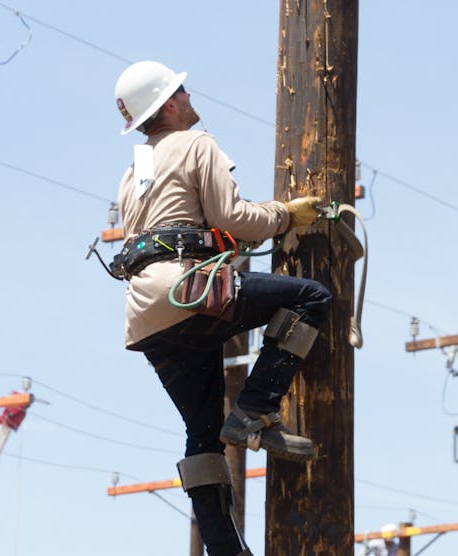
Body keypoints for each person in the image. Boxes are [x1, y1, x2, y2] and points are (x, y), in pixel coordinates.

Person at [112, 61, 332, 556]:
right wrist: (284, 215)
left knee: (201, 434)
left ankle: (224, 550)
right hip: (190, 293)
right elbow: (235, 218)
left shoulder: (135, 170)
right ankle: (256, 409)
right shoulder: (196, 144)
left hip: (147, 318)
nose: (190, 97)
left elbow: (177, 230)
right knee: (312, 296)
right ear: (169, 104)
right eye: (182, 91)